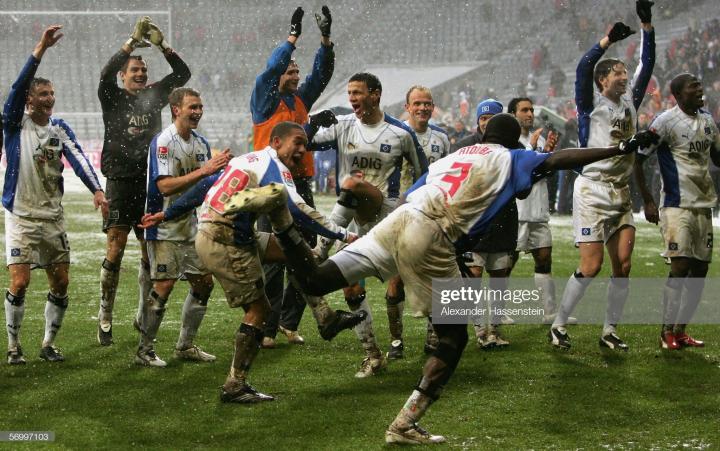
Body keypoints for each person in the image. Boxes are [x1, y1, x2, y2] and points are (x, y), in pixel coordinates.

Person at [228, 114, 653, 443]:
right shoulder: (510, 156)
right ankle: (405, 423)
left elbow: (418, 194)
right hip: (432, 231)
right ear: (512, 141)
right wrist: (618, 148)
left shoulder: (454, 157)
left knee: (318, 279)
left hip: (401, 219)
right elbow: (560, 160)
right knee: (454, 337)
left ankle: (281, 217)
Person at [140, 121, 363, 401]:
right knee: (260, 310)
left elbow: (207, 185)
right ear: (277, 142)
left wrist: (168, 213)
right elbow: (299, 210)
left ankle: (325, 317)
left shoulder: (248, 159)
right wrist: (344, 234)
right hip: (226, 238)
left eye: (305, 145)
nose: (302, 150)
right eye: (297, 142)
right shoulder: (274, 168)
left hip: (219, 231)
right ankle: (235, 385)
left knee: (293, 252)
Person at [550, 1, 656, 350]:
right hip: (592, 191)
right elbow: (583, 68)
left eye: (625, 73)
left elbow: (647, 64)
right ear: (602, 80)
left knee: (623, 266)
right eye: (617, 73)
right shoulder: (590, 105)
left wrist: (646, 26)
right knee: (592, 266)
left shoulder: (630, 102)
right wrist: (607, 41)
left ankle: (609, 331)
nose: (624, 77)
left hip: (619, 191)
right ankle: (559, 324)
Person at [309, 72, 428, 377]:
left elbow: (424, 173)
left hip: (386, 212)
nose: (352, 98)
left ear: (375, 95)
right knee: (351, 289)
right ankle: (373, 355)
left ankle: (320, 248)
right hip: (354, 218)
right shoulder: (343, 125)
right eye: (349, 93)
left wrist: (409, 203)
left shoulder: (399, 132)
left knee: (351, 183)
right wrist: (312, 123)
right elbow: (305, 142)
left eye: (358, 92)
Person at [3, 26, 107, 364]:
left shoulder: (59, 128)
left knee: (60, 281)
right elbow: (16, 88)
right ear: (29, 100)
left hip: (52, 217)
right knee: (20, 282)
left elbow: (79, 159)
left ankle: (47, 344)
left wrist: (97, 190)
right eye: (42, 94)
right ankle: (14, 346)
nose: (49, 98)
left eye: (52, 93)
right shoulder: (15, 124)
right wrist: (40, 49)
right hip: (21, 216)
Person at [97, 16, 191, 346]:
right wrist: (129, 45)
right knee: (115, 248)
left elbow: (183, 74)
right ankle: (105, 315)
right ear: (123, 76)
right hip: (120, 181)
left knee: (149, 253)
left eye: (143, 70)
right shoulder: (111, 96)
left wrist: (164, 46)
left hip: (150, 183)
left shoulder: (155, 95)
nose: (140, 74)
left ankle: (140, 314)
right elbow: (104, 74)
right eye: (134, 70)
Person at [251, 6, 334, 348]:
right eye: (291, 71)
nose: (297, 75)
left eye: (298, 71)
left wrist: (325, 40)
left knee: (307, 255)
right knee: (274, 257)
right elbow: (272, 69)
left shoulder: (300, 99)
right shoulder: (264, 98)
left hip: (300, 183)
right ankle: (267, 328)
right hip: (270, 185)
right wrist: (292, 38)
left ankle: (288, 321)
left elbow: (322, 75)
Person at [135, 87, 232, 367]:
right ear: (176, 109)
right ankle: (144, 350)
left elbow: (204, 186)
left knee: (203, 284)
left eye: (200, 107)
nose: (198, 112)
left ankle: (185, 346)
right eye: (193, 107)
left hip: (190, 226)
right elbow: (164, 186)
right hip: (162, 226)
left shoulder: (201, 144)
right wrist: (205, 171)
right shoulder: (163, 142)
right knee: (163, 286)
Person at [634, 73, 720, 349]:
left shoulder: (708, 121)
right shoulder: (665, 121)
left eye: (700, 84)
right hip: (675, 205)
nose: (700, 89)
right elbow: (638, 160)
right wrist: (648, 201)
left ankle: (681, 330)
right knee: (681, 266)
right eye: (694, 86)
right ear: (679, 94)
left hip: (703, 205)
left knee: (700, 270)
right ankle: (666, 331)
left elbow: (717, 157)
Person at [389, 85, 451, 358]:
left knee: (435, 277)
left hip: (432, 215)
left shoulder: (441, 138)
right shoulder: (395, 133)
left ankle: (433, 335)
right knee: (396, 280)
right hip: (400, 214)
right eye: (417, 103)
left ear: (433, 107)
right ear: (407, 107)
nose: (423, 108)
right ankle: (396, 341)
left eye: (427, 103)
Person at [453, 99, 517, 349]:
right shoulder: (464, 147)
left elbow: (523, 188)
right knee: (474, 277)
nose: (487, 123)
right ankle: (481, 331)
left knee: (500, 278)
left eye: (492, 119)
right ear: (477, 121)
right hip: (474, 224)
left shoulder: (515, 148)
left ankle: (495, 331)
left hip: (503, 222)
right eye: (483, 118)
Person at [507, 97, 565, 324]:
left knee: (544, 259)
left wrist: (548, 153)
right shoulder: (509, 141)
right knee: (506, 264)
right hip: (518, 212)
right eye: (524, 110)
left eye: (531, 110)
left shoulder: (539, 139)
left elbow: (544, 174)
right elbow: (518, 172)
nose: (530, 114)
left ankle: (549, 312)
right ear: (513, 114)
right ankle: (499, 311)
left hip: (538, 210)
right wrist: (532, 149)